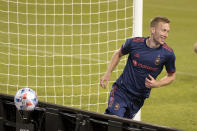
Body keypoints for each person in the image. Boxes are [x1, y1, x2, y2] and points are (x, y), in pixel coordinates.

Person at [100, 16, 176, 119]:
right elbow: (118, 54)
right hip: (121, 91)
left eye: (168, 32)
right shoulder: (134, 43)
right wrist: (108, 74)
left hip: (138, 98)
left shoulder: (168, 54)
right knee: (115, 122)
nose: (166, 35)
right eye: (163, 31)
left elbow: (171, 76)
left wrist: (157, 83)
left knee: (120, 125)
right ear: (153, 30)